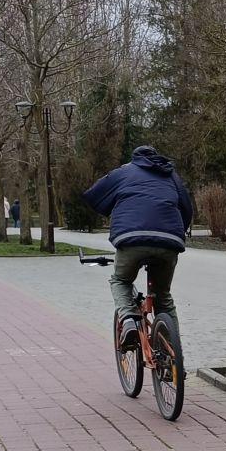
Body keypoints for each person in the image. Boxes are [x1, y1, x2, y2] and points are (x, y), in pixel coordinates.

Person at [79, 146, 195, 344]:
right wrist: (178, 232)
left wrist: (114, 209)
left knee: (121, 281)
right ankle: (172, 356)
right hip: (169, 241)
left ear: (135, 157)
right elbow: (187, 208)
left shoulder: (124, 172)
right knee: (163, 297)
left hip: (131, 237)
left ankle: (129, 320)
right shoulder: (171, 176)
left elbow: (93, 194)